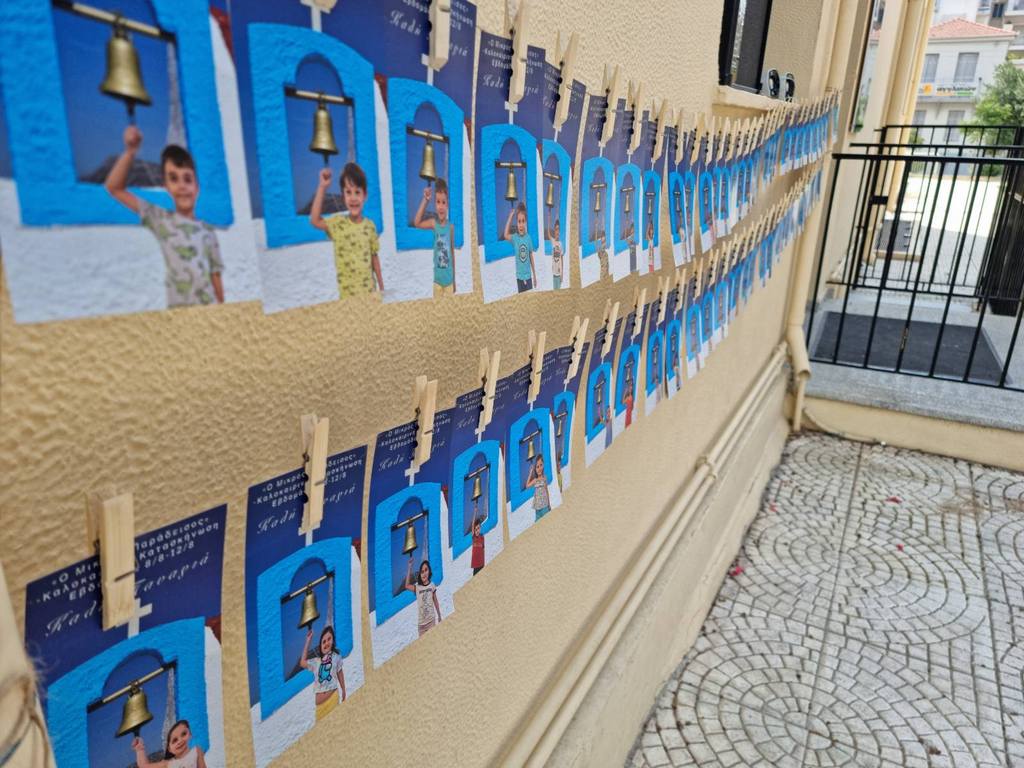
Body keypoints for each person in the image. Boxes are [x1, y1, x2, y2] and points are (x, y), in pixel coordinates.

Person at [105, 126, 224, 308]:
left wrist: (223, 311)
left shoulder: (208, 230)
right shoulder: (160, 218)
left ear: (197, 187)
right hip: (178, 314)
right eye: (174, 179)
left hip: (209, 312)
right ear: (166, 186)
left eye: (187, 179)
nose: (182, 186)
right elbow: (114, 188)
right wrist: (130, 152)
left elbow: (215, 275)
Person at [310, 162, 383, 298]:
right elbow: (315, 220)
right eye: (348, 192)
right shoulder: (338, 224)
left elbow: (374, 259)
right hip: (347, 298)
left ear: (365, 196)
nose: (353, 198)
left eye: (357, 192)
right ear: (343, 197)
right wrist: (322, 187)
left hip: (370, 295)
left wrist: (382, 288)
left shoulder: (370, 226)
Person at [413, 179, 455, 297]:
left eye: (443, 202)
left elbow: (452, 254)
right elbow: (417, 223)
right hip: (437, 282)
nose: (440, 206)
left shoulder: (451, 227)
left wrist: (454, 281)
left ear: (447, 205)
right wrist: (425, 200)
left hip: (449, 283)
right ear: (435, 204)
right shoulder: (433, 224)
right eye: (438, 202)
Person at [300, 624, 346, 719]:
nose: (326, 643)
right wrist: (308, 640)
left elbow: (340, 673)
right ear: (320, 646)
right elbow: (302, 662)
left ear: (333, 641)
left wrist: (343, 689)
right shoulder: (316, 662)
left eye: (329, 639)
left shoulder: (336, 656)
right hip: (320, 707)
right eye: (323, 642)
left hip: (332, 699)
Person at [131, 719, 206, 768]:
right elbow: (144, 766)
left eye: (183, 734)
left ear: (190, 734)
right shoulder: (168, 764)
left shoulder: (196, 751)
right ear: (169, 749)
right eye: (174, 740)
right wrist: (139, 749)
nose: (180, 741)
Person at [503, 202, 536, 292]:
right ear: (517, 223)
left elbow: (531, 257)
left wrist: (534, 276)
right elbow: (505, 235)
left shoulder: (528, 238)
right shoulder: (515, 238)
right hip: (519, 279)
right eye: (519, 221)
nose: (521, 225)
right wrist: (510, 216)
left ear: (525, 222)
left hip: (528, 278)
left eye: (523, 221)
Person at [404, 558, 441, 636]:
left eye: (426, 570)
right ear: (420, 574)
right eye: (422, 571)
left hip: (431, 622)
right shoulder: (417, 587)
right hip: (421, 626)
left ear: (429, 571)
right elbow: (407, 586)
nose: (424, 573)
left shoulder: (432, 585)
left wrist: (439, 616)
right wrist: (410, 567)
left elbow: (436, 601)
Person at [525, 454, 550, 521]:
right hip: (537, 509)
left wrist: (549, 504)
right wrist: (530, 472)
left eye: (541, 465)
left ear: (543, 465)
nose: (539, 468)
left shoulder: (544, 478)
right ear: (535, 469)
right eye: (537, 467)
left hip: (545, 506)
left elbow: (547, 491)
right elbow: (527, 486)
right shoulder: (535, 480)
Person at [548, 219, 563, 290]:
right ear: (554, 231)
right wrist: (549, 220)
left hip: (559, 273)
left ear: (559, 231)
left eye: (558, 229)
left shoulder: (560, 244)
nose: (557, 231)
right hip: (554, 273)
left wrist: (562, 274)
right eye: (556, 229)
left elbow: (562, 259)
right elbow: (548, 234)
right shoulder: (553, 241)